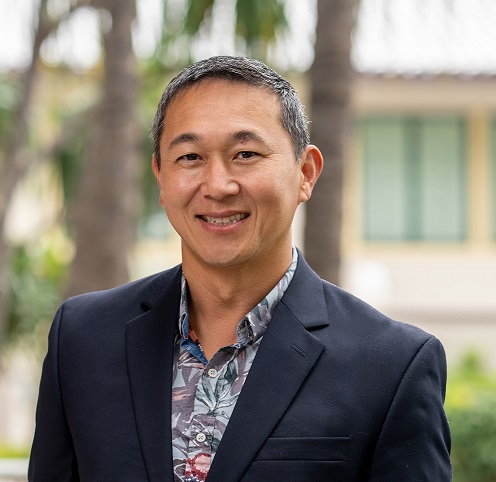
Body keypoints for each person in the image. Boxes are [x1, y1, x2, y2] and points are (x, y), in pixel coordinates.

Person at [29, 56, 451, 482]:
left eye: (245, 153)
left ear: (306, 172)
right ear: (160, 176)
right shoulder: (82, 339)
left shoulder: (392, 365)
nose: (217, 185)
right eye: (190, 157)